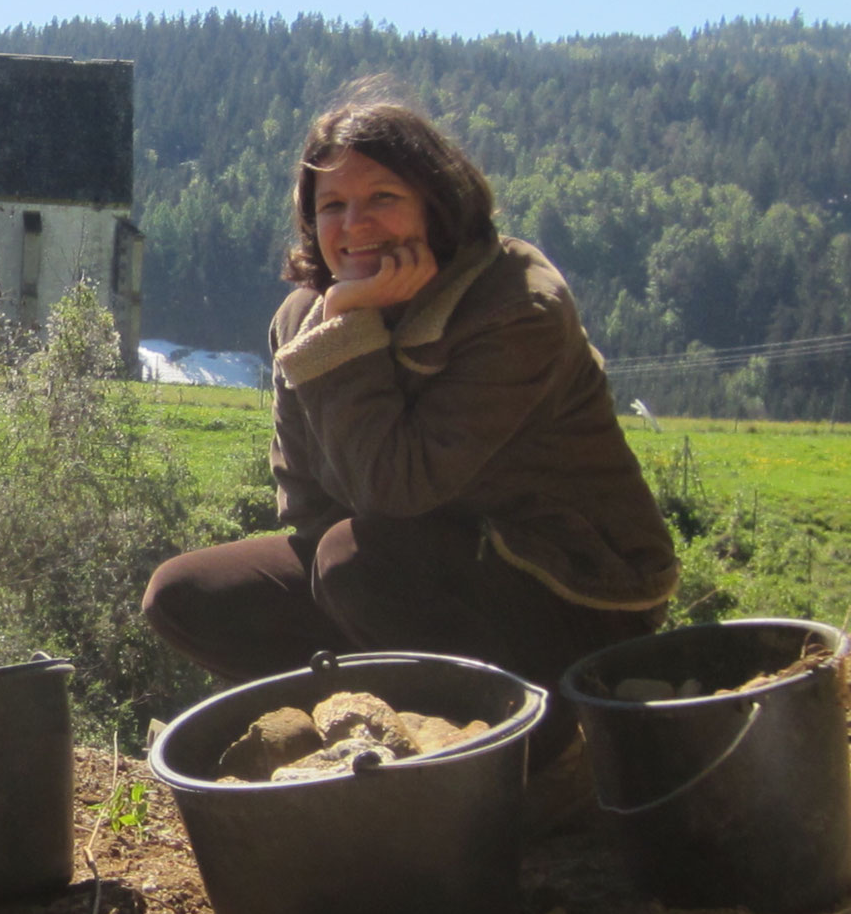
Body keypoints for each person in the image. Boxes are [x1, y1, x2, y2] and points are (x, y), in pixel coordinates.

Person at [142, 94, 677, 746]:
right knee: (184, 595)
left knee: (352, 563)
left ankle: (540, 746)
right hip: (402, 569)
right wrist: (345, 318)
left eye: (383, 198)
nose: (355, 224)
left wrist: (349, 330)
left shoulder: (515, 309)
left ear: (436, 199)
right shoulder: (305, 318)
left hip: (570, 588)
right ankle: (371, 727)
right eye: (332, 205)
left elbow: (399, 490)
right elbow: (305, 501)